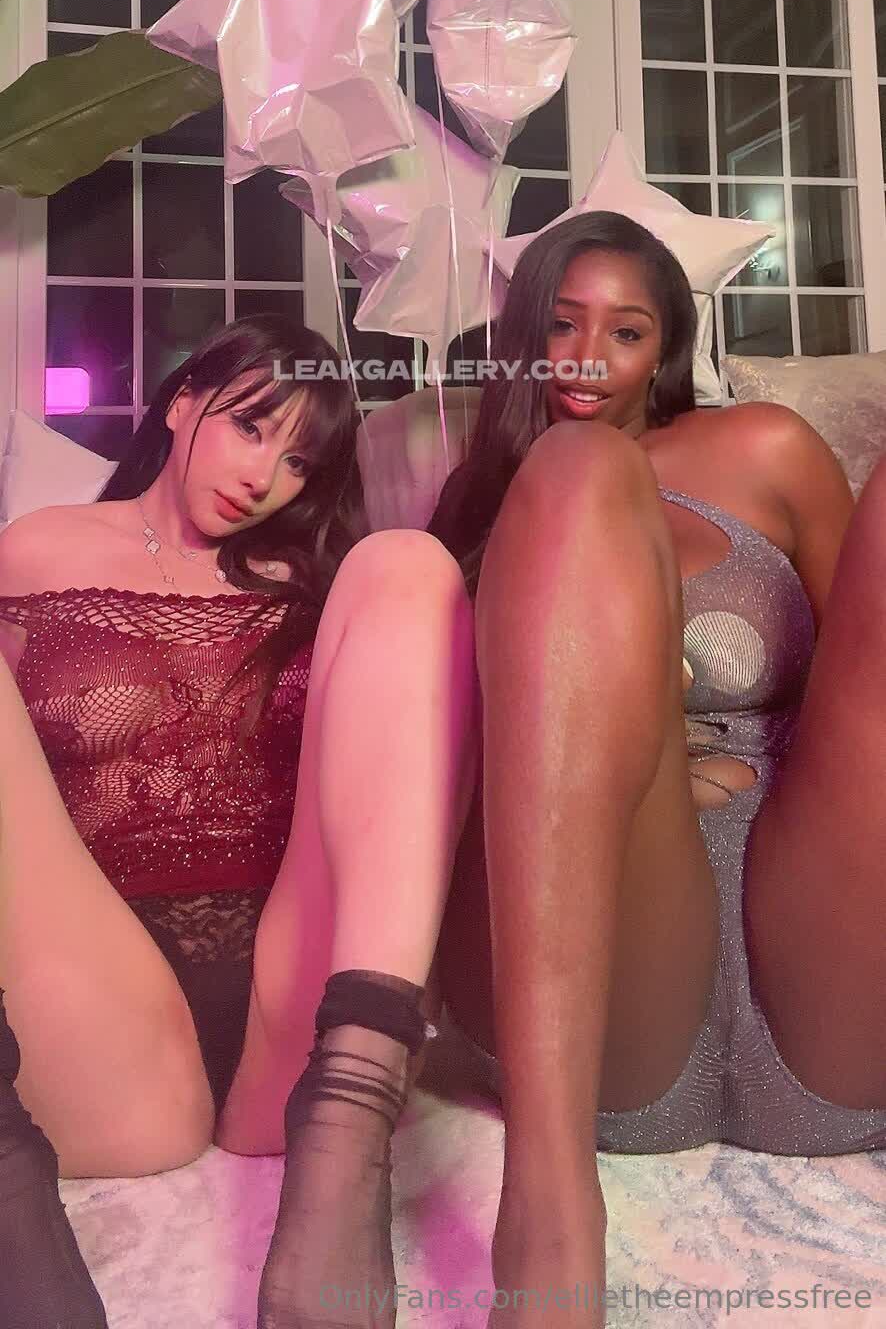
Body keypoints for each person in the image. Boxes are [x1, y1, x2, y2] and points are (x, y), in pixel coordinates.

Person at [428, 210, 886, 1321]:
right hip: (604, 966)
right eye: (562, 325)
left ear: (665, 350)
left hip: (817, 908)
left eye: (625, 332)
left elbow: (860, 679)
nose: (589, 357)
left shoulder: (761, 449)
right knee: (578, 467)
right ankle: (547, 1217)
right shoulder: (481, 507)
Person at [0, 313, 479, 1329]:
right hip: (97, 1014)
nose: (265, 477)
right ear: (182, 404)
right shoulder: (36, 550)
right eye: (251, 427)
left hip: (296, 1011)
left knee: (408, 563)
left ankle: (351, 1124)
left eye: (299, 460)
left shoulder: (320, 583)